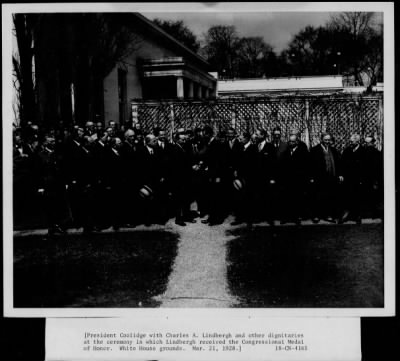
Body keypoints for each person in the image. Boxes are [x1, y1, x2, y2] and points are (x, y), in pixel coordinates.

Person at [309, 133, 343, 223]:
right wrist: (311, 177)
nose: (327, 142)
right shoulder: (314, 150)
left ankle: (328, 215)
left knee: (329, 197)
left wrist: (339, 174)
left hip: (331, 178)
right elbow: (310, 165)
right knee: (318, 197)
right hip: (319, 178)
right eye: (325, 140)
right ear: (321, 139)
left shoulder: (333, 150)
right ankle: (316, 215)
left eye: (329, 140)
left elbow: (338, 163)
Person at [279, 132, 309, 225]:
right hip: (287, 180)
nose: (291, 143)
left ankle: (296, 217)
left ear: (297, 142)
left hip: (298, 180)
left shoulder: (303, 152)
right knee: (286, 198)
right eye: (290, 141)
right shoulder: (286, 152)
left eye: (293, 142)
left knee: (297, 199)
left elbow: (306, 167)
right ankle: (286, 217)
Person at [231, 131, 258, 226]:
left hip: (249, 179)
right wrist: (236, 170)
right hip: (240, 178)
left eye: (241, 138)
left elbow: (254, 165)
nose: (239, 140)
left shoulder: (253, 149)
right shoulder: (239, 147)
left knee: (249, 199)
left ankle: (249, 220)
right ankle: (239, 218)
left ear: (246, 139)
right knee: (239, 198)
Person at [253, 128, 276, 225]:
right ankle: (258, 216)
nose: (255, 136)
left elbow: (274, 164)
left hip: (267, 178)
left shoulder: (270, 147)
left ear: (262, 135)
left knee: (268, 198)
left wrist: (272, 178)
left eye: (257, 134)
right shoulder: (254, 147)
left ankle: (269, 218)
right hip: (256, 178)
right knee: (257, 197)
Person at [339, 134, 364, 224]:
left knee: (357, 197)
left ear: (357, 141)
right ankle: (346, 215)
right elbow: (341, 163)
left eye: (352, 141)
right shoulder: (347, 150)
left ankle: (357, 216)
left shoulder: (363, 151)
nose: (350, 142)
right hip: (348, 178)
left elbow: (365, 166)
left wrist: (362, 179)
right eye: (350, 141)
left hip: (358, 179)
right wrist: (341, 174)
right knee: (347, 197)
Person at [361, 135, 383, 219]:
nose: (367, 144)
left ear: (373, 143)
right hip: (364, 178)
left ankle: (373, 214)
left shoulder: (377, 153)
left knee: (373, 197)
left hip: (373, 178)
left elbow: (378, 168)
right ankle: (367, 214)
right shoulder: (363, 152)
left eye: (369, 143)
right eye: (366, 143)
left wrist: (376, 181)